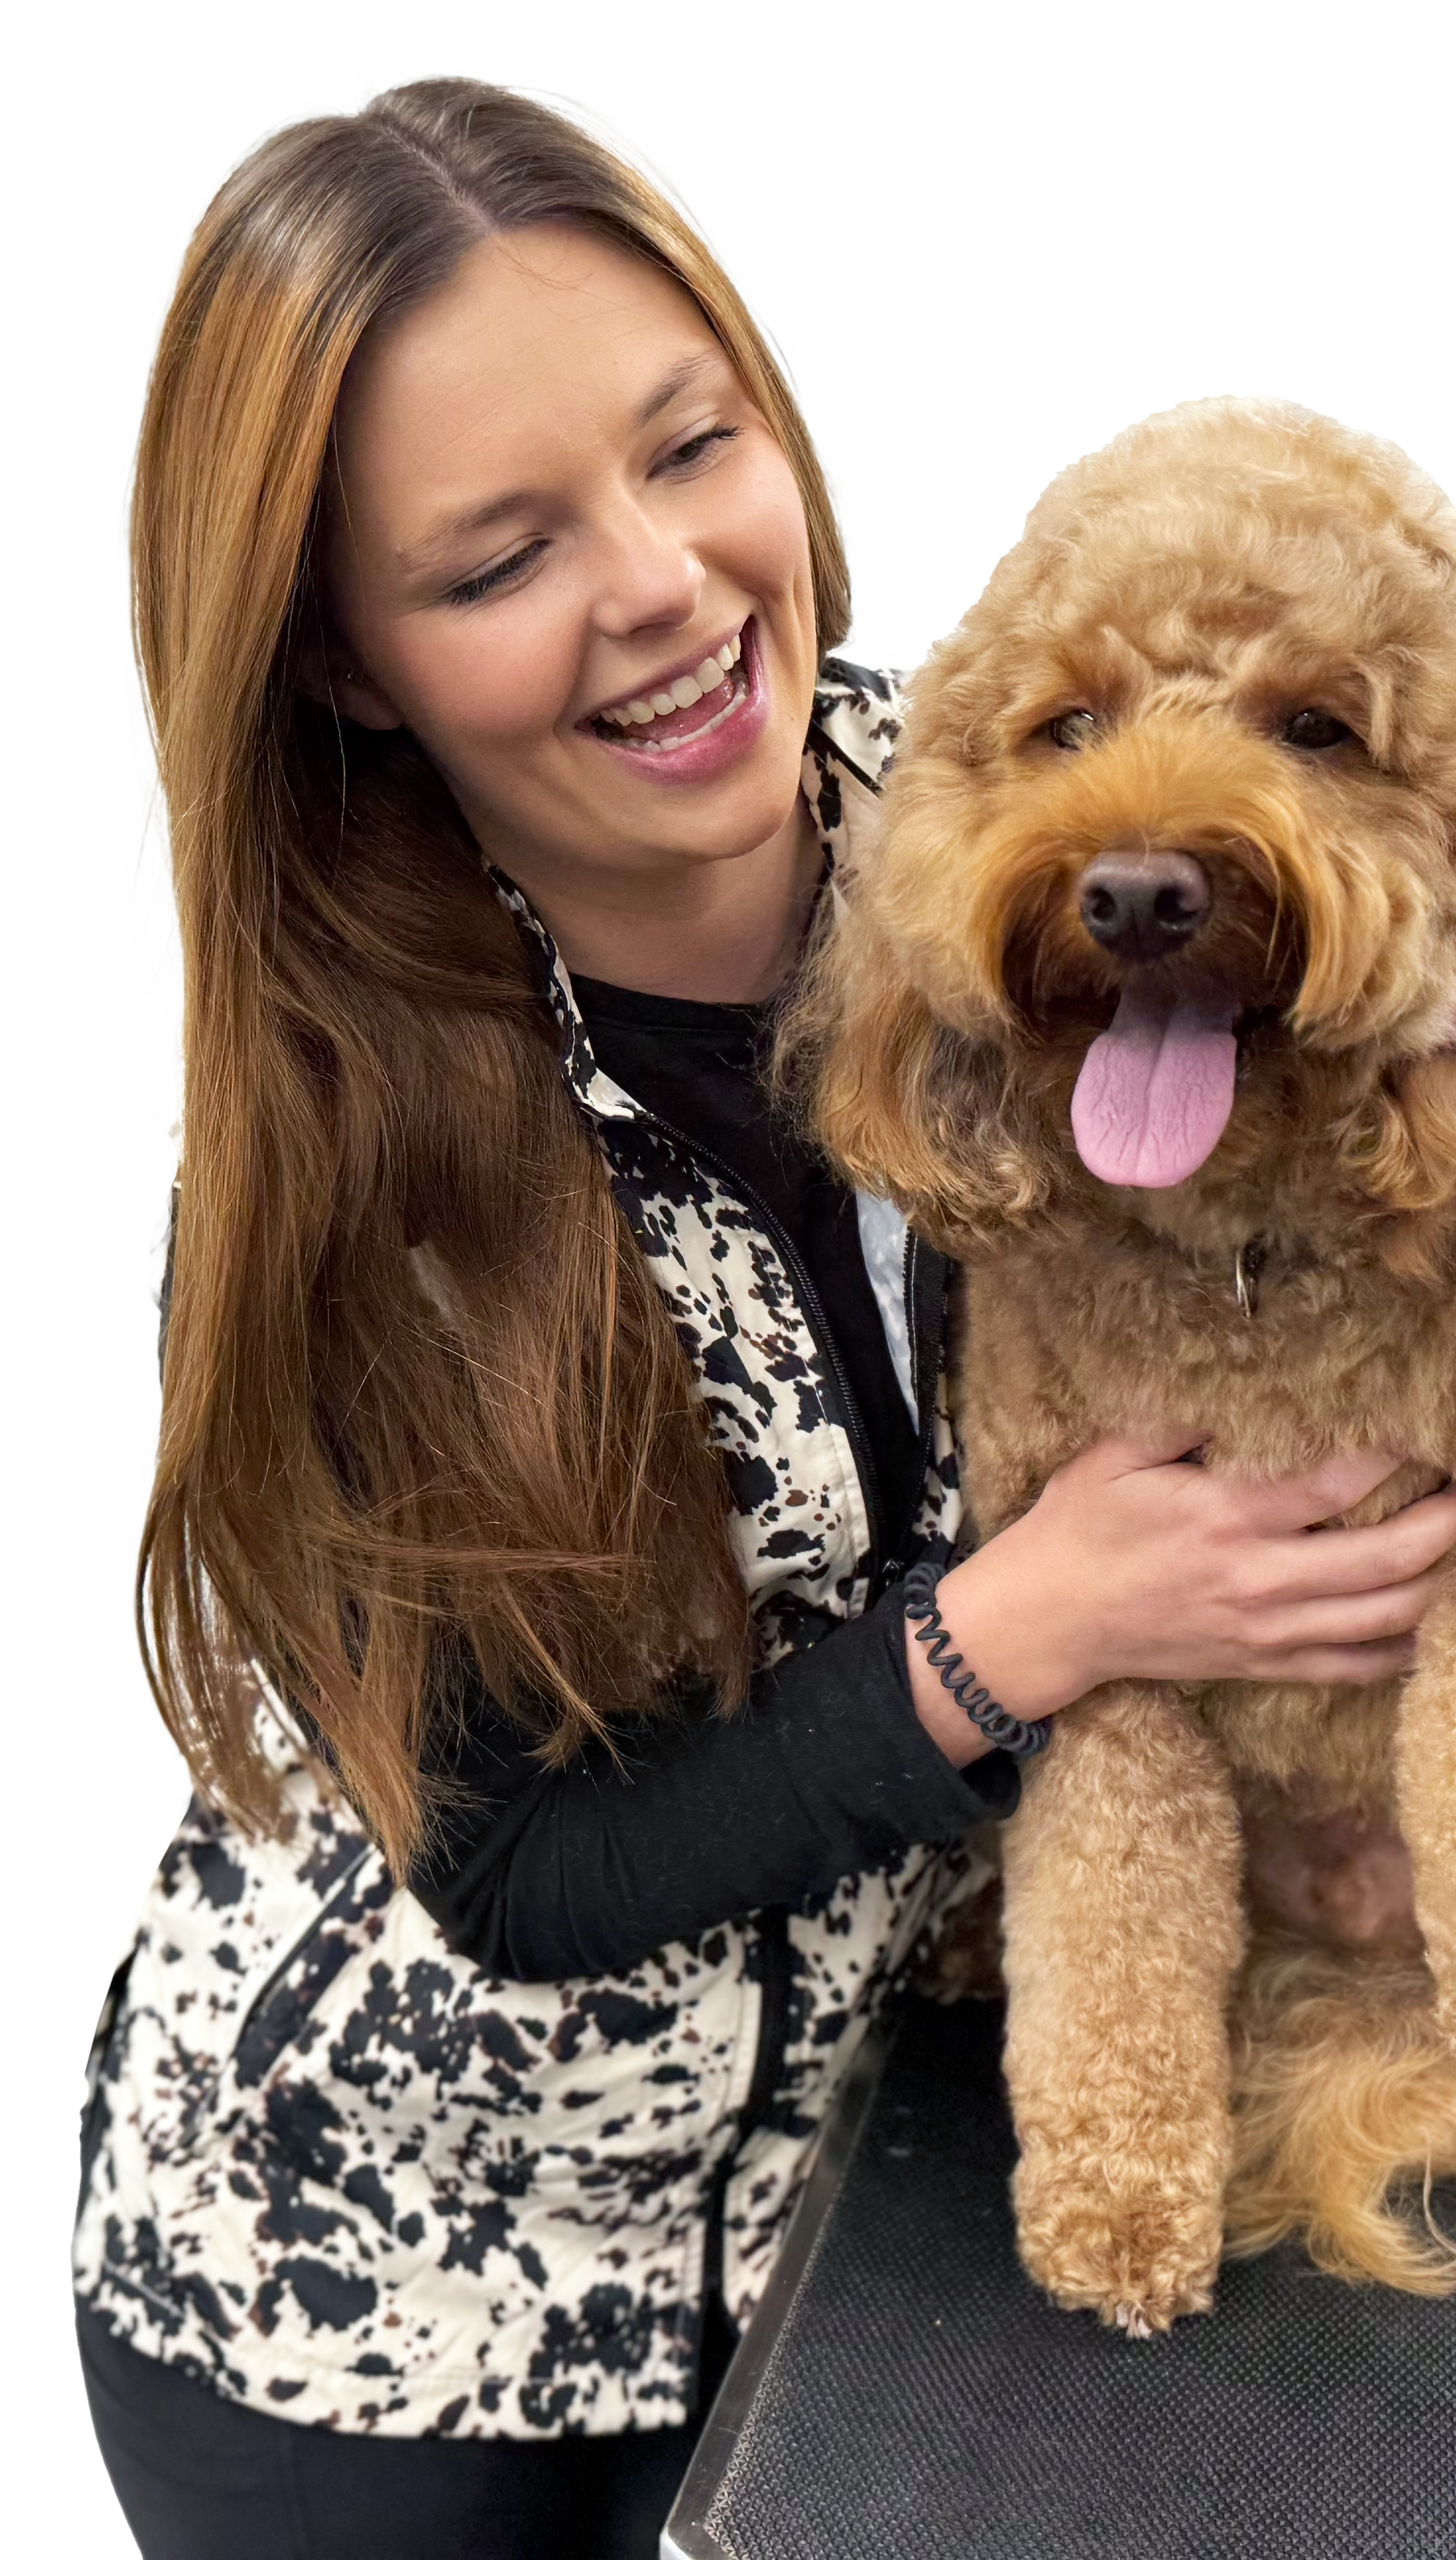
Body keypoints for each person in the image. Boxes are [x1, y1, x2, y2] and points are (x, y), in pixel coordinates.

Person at [76, 74, 1456, 2560]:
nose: (663, 585)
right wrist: (1018, 1632)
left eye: (686, 443)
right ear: (349, 663)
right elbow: (517, 1877)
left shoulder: (1029, 825)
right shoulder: (334, 1163)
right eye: (499, 558)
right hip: (401, 2316)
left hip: (875, 2196)